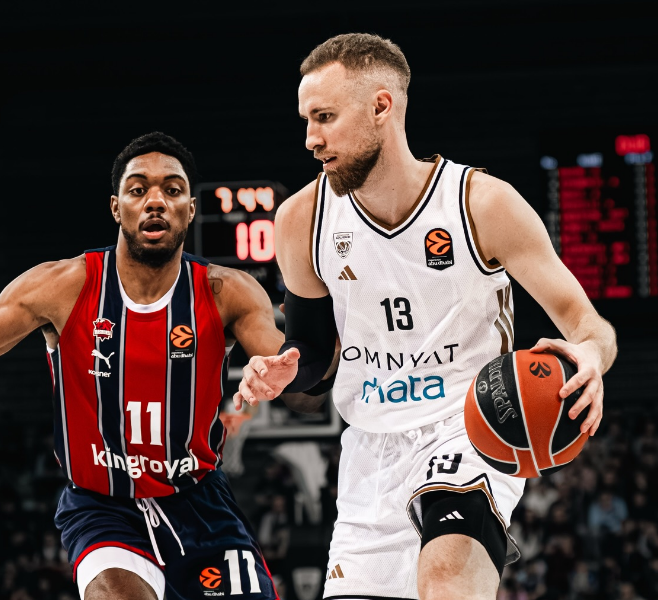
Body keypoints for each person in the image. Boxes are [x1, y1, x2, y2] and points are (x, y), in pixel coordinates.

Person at [235, 34, 618, 600]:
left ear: (381, 106)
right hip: (370, 448)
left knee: (445, 580)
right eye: (307, 121)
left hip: (471, 427)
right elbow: (312, 354)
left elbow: (587, 324)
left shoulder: (480, 204)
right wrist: (288, 370)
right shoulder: (301, 220)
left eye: (325, 117)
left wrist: (590, 354)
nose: (311, 139)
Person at [0, 131, 286, 600]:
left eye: (173, 190)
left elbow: (292, 374)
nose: (155, 201)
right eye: (138, 189)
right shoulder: (64, 286)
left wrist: (284, 373)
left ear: (190, 209)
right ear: (116, 207)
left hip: (199, 504)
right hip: (103, 508)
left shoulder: (226, 292)